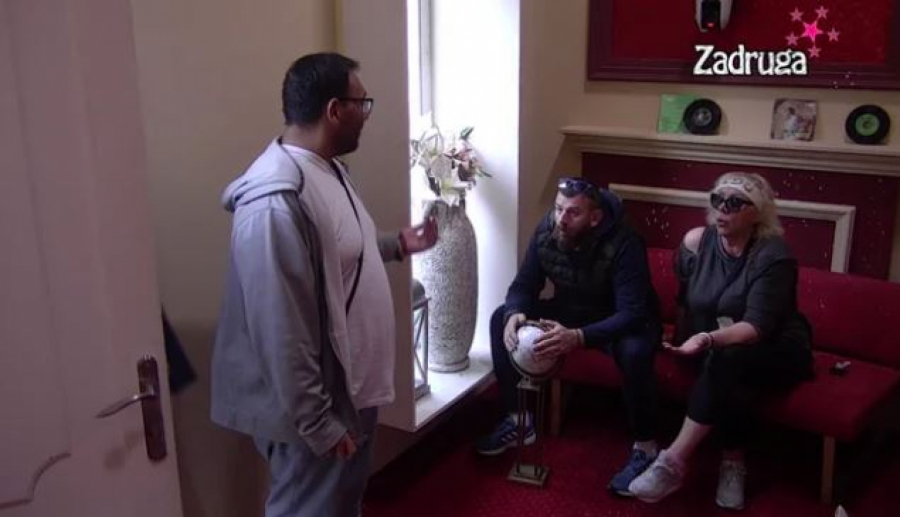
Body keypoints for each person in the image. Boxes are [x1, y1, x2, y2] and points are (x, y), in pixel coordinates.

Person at [210, 53, 438, 517]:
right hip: (315, 408)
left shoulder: (326, 169)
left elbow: (332, 253)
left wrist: (397, 244)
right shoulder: (273, 205)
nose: (367, 115)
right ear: (335, 110)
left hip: (349, 390)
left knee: (339, 506)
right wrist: (318, 423)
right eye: (363, 104)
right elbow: (280, 331)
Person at [628, 172, 814, 510]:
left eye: (735, 203)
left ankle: (672, 462)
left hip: (779, 347)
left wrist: (706, 339)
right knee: (731, 370)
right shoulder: (696, 242)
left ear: (757, 213)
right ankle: (733, 463)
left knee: (730, 358)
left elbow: (756, 326)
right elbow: (688, 300)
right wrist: (683, 338)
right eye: (717, 200)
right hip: (721, 345)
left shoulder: (774, 254)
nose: (722, 209)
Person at [475, 176, 662, 496]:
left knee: (635, 353)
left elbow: (632, 312)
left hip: (623, 319)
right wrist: (515, 312)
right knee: (499, 318)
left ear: (595, 217)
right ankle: (520, 421)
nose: (561, 218)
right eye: (558, 208)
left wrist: (577, 337)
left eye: (573, 212)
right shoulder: (548, 229)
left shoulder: (626, 242)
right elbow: (524, 284)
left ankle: (646, 447)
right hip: (572, 308)